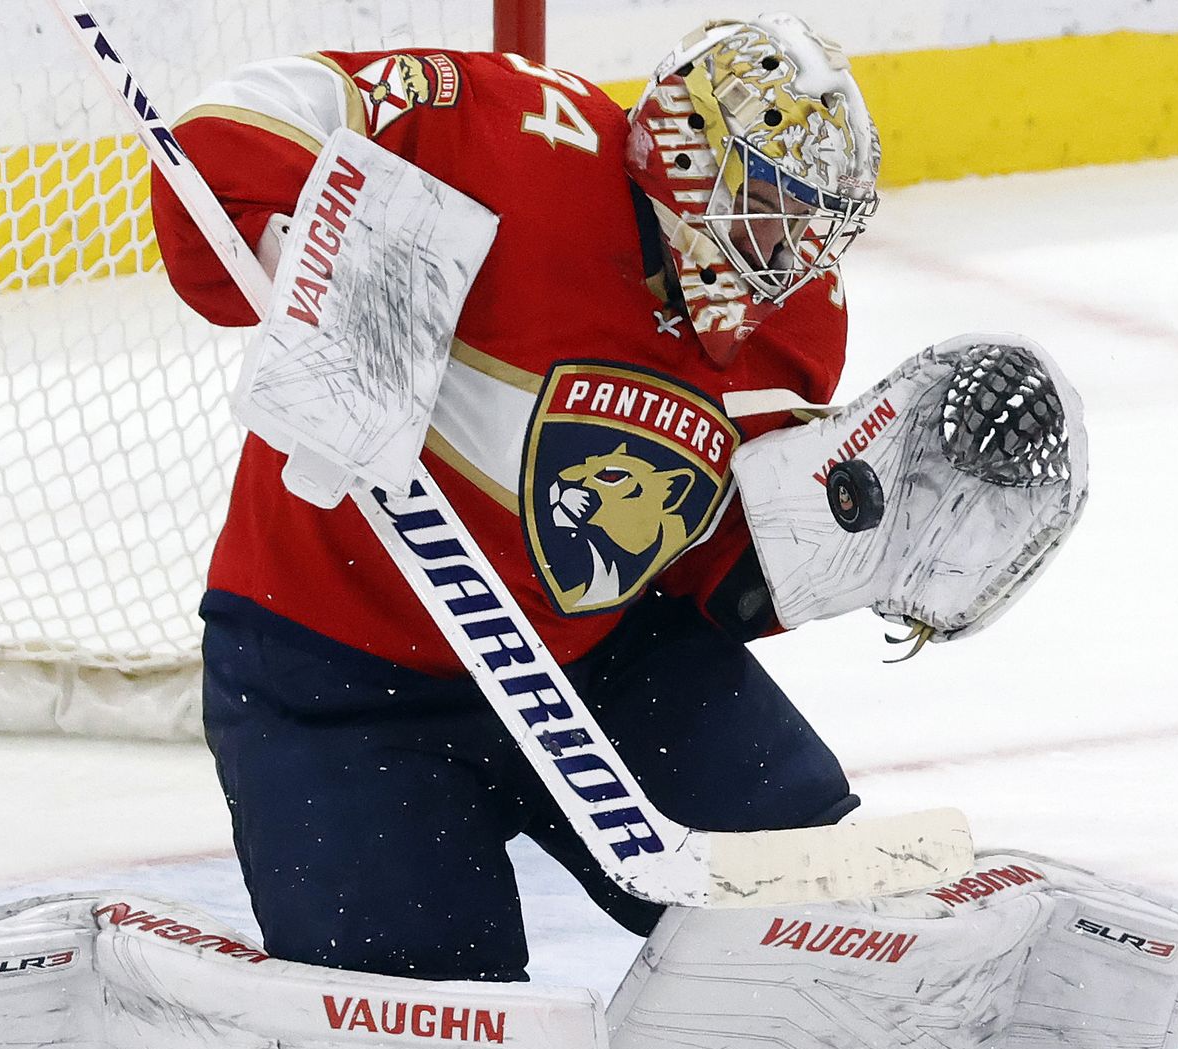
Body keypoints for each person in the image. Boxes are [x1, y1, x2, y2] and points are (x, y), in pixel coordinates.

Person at [150, 13, 882, 982]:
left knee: (824, 913)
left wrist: (864, 549)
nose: (791, 246)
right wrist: (298, 246)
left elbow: (714, 566)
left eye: (812, 216)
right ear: (684, 151)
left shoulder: (795, 317)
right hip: (337, 684)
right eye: (770, 200)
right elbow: (230, 125)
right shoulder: (509, 128)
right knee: (428, 1025)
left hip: (597, 663)